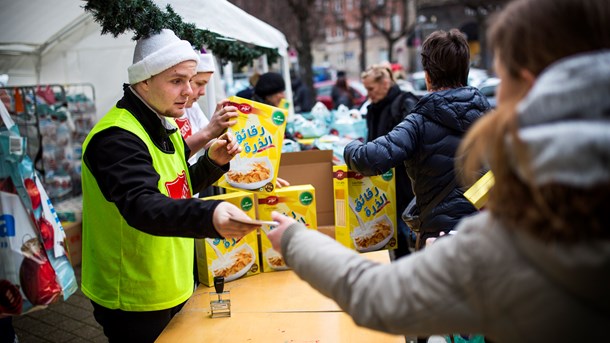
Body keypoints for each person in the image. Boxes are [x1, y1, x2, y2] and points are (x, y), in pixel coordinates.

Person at [266, 0, 610, 340]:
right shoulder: (489, 118)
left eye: (504, 77)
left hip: (441, 237)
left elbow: (379, 296)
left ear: (530, 83)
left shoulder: (518, 241)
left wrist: (296, 237)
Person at [80, 29, 261, 342]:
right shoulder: (116, 138)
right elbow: (144, 206)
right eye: (177, 81)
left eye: (190, 81)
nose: (189, 92)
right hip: (135, 296)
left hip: (169, 284)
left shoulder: (164, 122)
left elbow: (175, 186)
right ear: (144, 80)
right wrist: (209, 215)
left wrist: (212, 163)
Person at [345, 29, 489, 250]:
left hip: (438, 240)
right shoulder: (491, 116)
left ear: (427, 76)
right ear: (465, 70)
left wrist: (351, 146)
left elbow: (370, 159)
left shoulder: (418, 121)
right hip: (485, 232)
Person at [360, 64, 421, 258]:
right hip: (385, 185)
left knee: (410, 235)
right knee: (393, 238)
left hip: (405, 183)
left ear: (385, 83)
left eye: (371, 88)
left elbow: (411, 142)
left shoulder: (405, 102)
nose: (369, 94)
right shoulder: (373, 108)